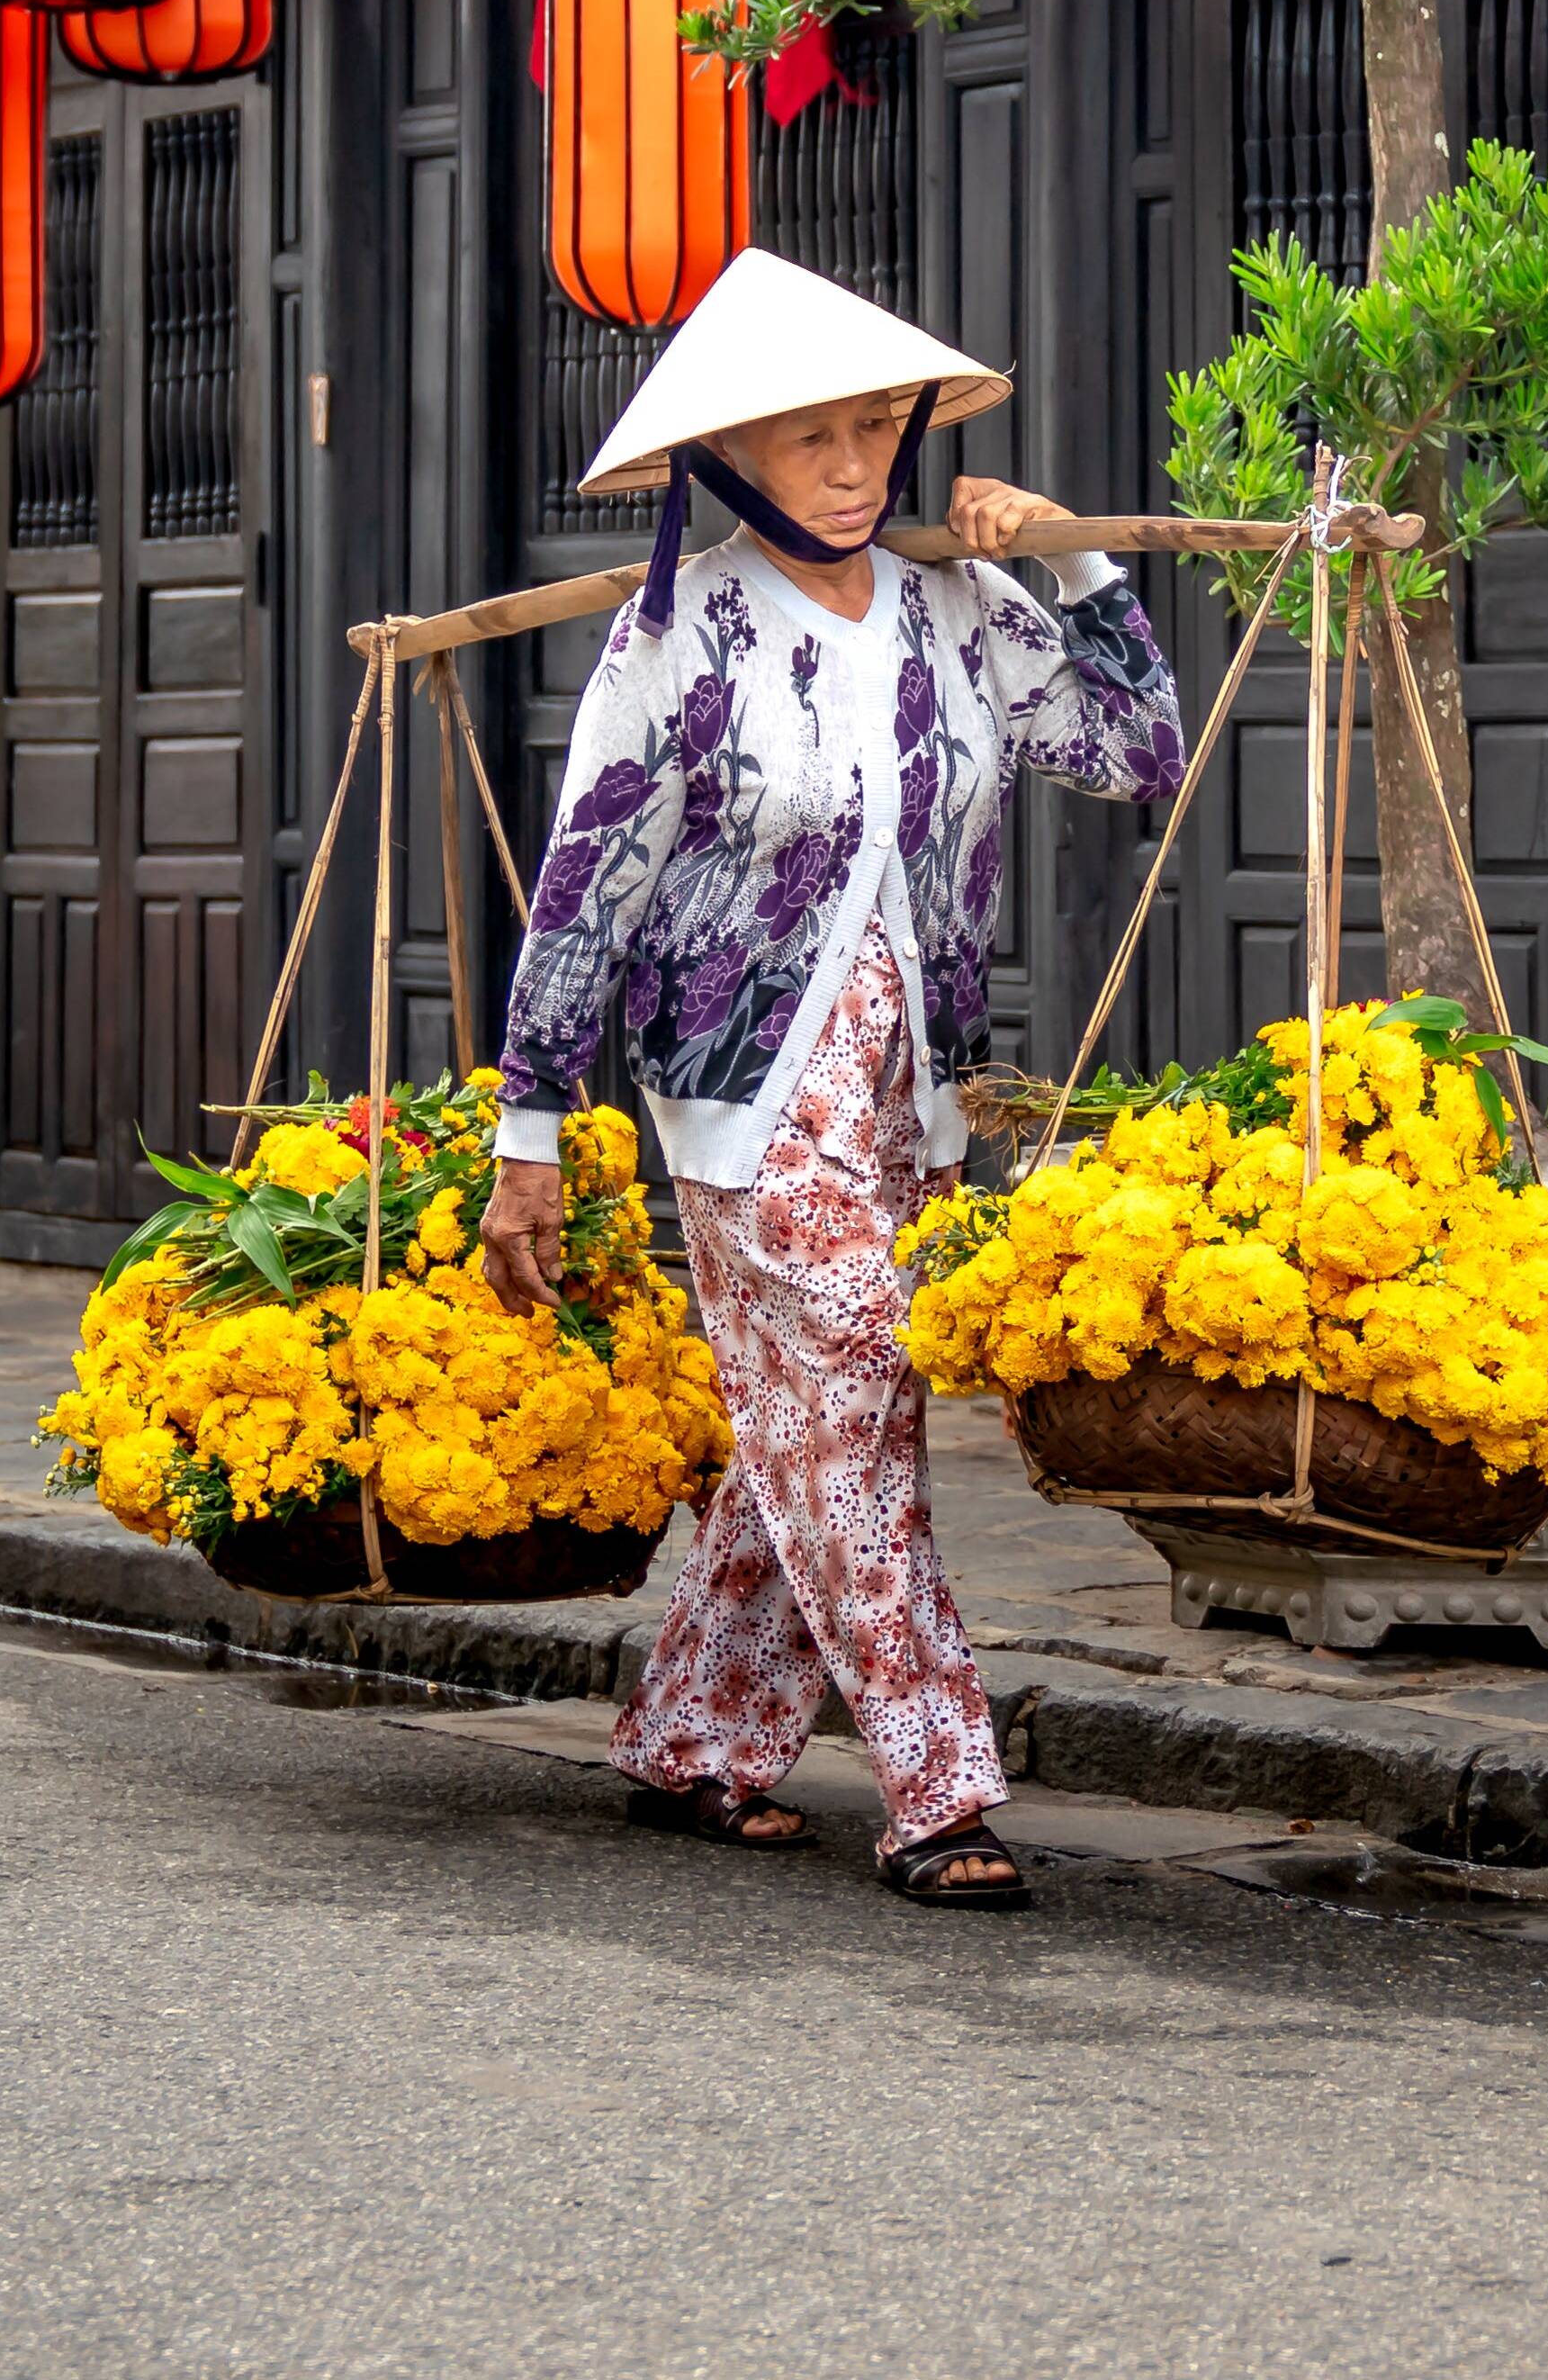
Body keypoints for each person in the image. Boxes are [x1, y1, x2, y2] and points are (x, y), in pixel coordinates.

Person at [481, 252, 1187, 1907]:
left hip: (916, 1079)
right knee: (862, 1365)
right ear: (732, 458)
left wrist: (1074, 556)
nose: (860, 466)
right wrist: (529, 1138)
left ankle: (694, 1740)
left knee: (816, 1412)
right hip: (738, 1088)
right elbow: (584, 900)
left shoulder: (961, 608)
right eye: (814, 438)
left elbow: (1135, 752)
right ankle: (940, 1785)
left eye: (878, 426)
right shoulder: (680, 639)